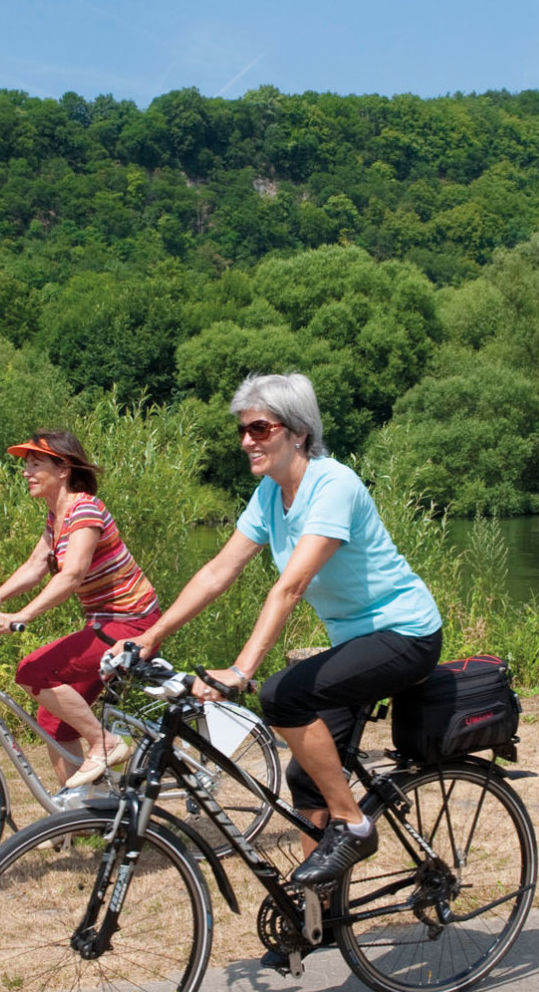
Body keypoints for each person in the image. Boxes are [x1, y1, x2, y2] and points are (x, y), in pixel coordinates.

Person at [133, 372, 443, 894]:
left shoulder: (333, 485)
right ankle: (317, 917)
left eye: (259, 427)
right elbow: (218, 571)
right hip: (355, 642)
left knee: (281, 695)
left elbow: (290, 586)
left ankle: (356, 825)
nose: (247, 440)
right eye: (242, 430)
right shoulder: (270, 495)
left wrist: (241, 670)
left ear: (297, 431)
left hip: (405, 632)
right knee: (305, 776)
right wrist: (153, 634)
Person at [0, 431, 161, 788]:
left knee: (32, 671)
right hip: (104, 624)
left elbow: (71, 574)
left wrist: (21, 616)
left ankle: (106, 743)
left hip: (132, 624)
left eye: (36, 464)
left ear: (63, 469)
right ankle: (76, 821)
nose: (27, 472)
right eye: (26, 465)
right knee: (55, 722)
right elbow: (35, 566)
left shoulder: (85, 509)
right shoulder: (57, 517)